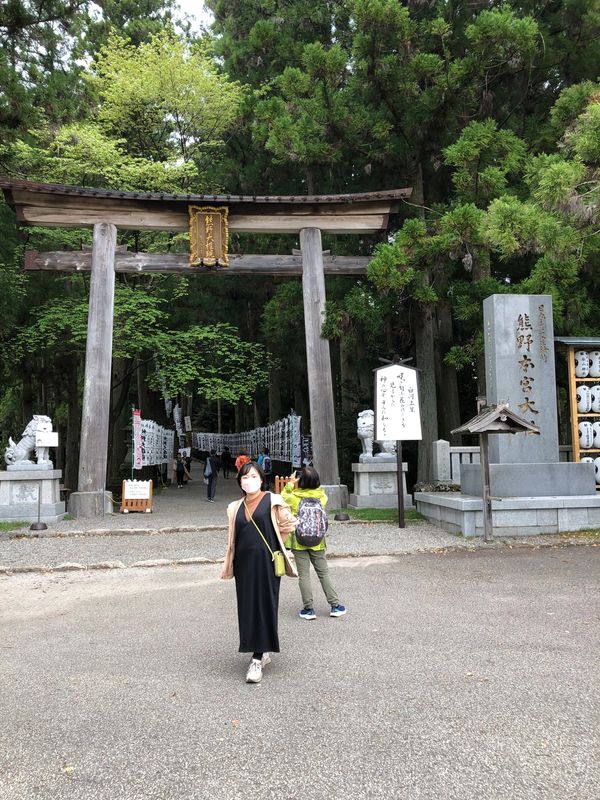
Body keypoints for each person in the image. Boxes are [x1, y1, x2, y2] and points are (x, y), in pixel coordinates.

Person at [221, 462, 297, 683]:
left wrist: (275, 546)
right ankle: (260, 652)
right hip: (243, 564)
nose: (248, 481)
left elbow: (289, 525)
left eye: (253, 476)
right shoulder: (234, 507)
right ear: (240, 482)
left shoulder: (273, 501)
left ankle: (257, 658)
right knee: (247, 607)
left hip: (266, 563)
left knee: (264, 605)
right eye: (244, 478)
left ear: (262, 479)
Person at [281, 466, 347, 620]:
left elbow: (283, 496)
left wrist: (291, 483)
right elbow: (319, 491)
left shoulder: (293, 498)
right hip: (318, 541)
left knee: (304, 575)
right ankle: (335, 606)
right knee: (323, 573)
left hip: (299, 540)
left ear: (300, 481)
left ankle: (309, 609)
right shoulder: (322, 497)